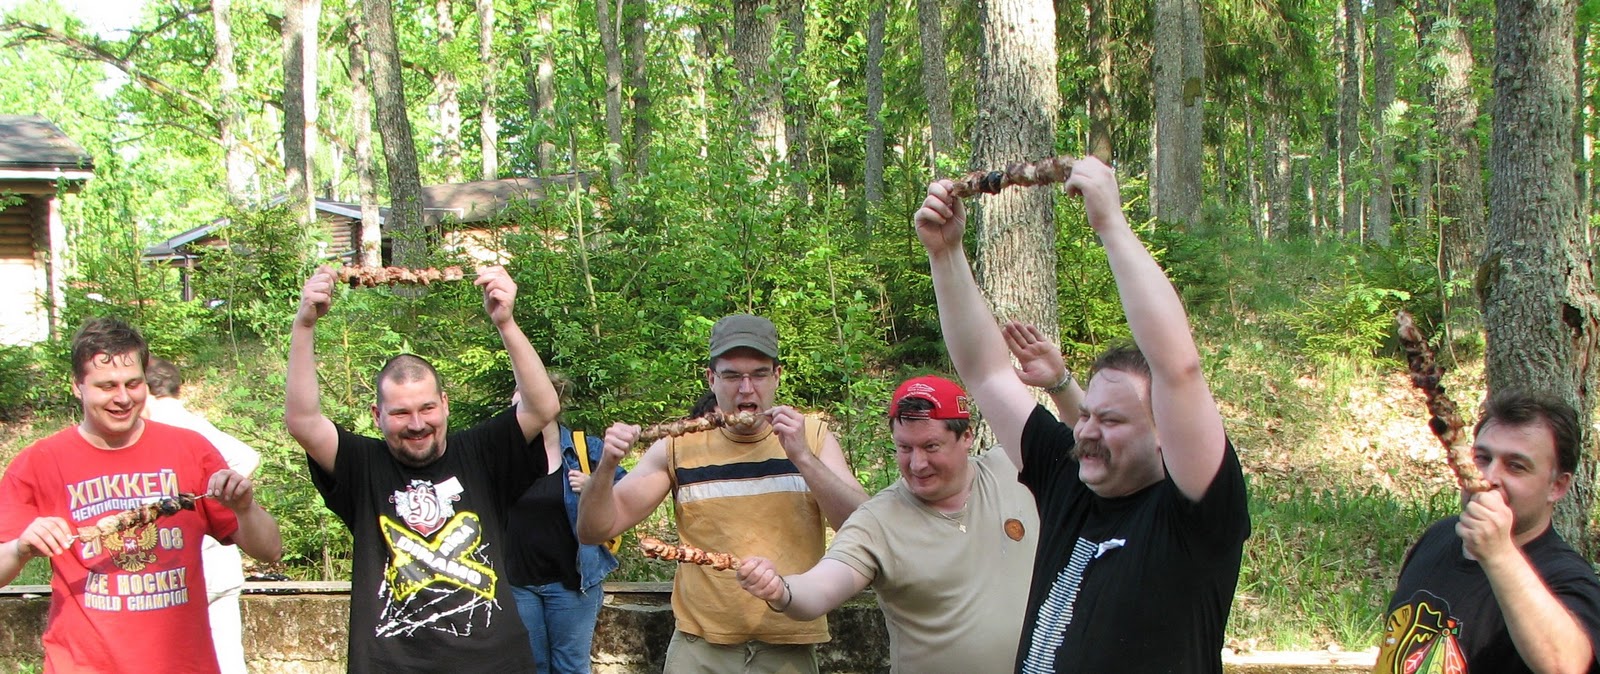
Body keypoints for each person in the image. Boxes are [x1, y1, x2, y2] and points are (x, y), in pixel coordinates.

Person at [914, 156, 1251, 673]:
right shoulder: (1069, 481)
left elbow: (1179, 368)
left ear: (1165, 434)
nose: (1087, 431)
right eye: (1088, 413)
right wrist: (945, 254)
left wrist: (1111, 225)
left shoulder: (1195, 518)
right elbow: (987, 374)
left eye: (1112, 421)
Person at [284, 264, 561, 672]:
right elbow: (303, 421)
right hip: (390, 665)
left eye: (427, 408)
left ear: (444, 404)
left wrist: (506, 323)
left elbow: (543, 407)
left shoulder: (481, 453)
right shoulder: (362, 465)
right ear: (376, 414)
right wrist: (305, 325)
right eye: (401, 413)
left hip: (494, 663)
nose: (417, 424)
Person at [575, 314, 868, 674]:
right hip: (700, 649)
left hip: (788, 649)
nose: (746, 389)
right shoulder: (678, 446)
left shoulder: (812, 437)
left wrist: (804, 458)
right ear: (711, 379)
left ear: (777, 376)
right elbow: (594, 530)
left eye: (759, 374)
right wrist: (607, 465)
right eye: (731, 375)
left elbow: (864, 529)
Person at [0, 317, 282, 673]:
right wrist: (20, 548)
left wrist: (244, 508)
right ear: (77, 386)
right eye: (106, 386)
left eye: (133, 384)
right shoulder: (39, 462)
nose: (122, 398)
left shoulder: (190, 449)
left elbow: (270, 550)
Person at [736, 373, 1053, 672]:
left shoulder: (1013, 470)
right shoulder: (878, 520)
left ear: (966, 436)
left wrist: (1059, 384)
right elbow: (822, 587)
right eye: (904, 448)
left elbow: (1079, 444)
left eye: (931, 446)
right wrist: (781, 590)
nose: (917, 464)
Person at [1375, 391, 1600, 674]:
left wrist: (1499, 554)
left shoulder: (1567, 576)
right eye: (1482, 458)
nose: (1489, 477)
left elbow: (1566, 666)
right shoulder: (1440, 536)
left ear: (1557, 486)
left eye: (1516, 466)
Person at [144, 357, 262, 674]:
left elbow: (245, 457)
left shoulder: (173, 428)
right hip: (213, 564)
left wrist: (203, 497)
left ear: (146, 389)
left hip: (197, 563)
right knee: (227, 659)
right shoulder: (194, 423)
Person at [505, 377, 627, 674]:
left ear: (551, 405)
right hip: (518, 582)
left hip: (572, 582)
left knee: (570, 667)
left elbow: (629, 495)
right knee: (529, 666)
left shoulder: (585, 449)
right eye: (516, 403)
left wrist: (594, 487)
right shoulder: (501, 454)